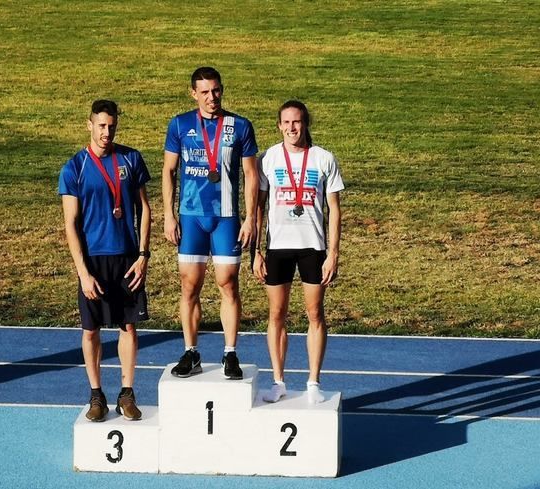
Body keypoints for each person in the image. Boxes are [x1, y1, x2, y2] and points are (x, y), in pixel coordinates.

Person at [162, 67, 259, 379]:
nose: (211, 97)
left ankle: (230, 353)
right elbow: (168, 171)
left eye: (216, 90)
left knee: (228, 282)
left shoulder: (240, 126)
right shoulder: (180, 124)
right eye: (204, 92)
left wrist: (250, 219)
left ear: (222, 89)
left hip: (226, 217)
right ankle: (191, 352)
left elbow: (251, 175)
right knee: (190, 284)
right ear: (193, 93)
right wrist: (168, 215)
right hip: (191, 216)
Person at [59, 99, 151, 421]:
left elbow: (145, 209)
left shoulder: (131, 158)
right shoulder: (74, 168)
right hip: (93, 259)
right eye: (101, 126)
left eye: (111, 126)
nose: (106, 132)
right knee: (90, 329)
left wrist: (143, 256)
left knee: (128, 326)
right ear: (90, 124)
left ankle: (127, 393)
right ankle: (96, 395)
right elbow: (70, 224)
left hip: (127, 257)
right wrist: (83, 273)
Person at [253, 100, 344, 404]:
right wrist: (256, 251)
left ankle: (313, 382)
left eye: (297, 122)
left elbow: (334, 210)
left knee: (315, 313)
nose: (292, 128)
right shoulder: (267, 159)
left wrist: (333, 253)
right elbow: (257, 209)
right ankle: (278, 381)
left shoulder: (324, 159)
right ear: (279, 126)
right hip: (277, 246)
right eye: (286, 123)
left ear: (306, 124)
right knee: (276, 314)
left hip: (313, 247)